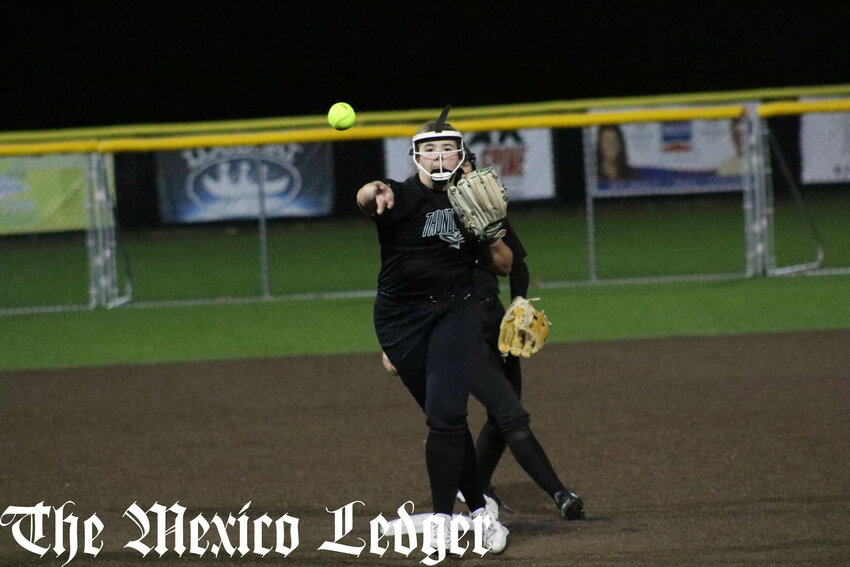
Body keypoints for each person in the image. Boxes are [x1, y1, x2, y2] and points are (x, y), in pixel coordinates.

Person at [379, 149, 585, 523]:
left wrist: (519, 304)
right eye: (459, 166)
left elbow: (515, 264)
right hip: (458, 326)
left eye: (466, 164)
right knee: (511, 415)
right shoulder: (427, 216)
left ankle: (477, 485)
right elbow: (402, 280)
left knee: (500, 419)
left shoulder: (485, 211)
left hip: (494, 320)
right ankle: (560, 493)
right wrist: (397, 343)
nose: (466, 173)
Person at [358, 108, 510, 554]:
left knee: (446, 415)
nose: (439, 155)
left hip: (457, 311)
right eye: (429, 148)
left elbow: (503, 265)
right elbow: (369, 197)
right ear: (414, 156)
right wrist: (372, 190)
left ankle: (444, 519)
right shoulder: (400, 196)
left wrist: (492, 231)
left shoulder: (475, 198)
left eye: (447, 147)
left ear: (462, 154)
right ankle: (480, 507)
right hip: (400, 321)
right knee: (445, 417)